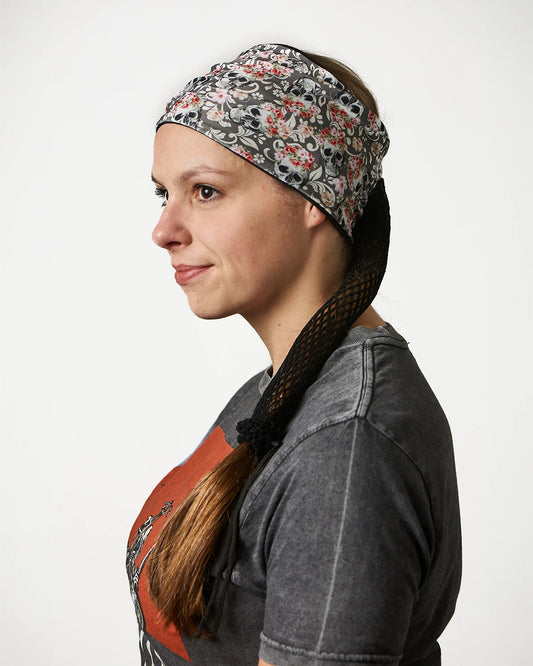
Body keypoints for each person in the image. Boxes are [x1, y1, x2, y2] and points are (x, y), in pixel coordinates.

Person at [126, 43, 461, 666]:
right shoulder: (283, 389)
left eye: (204, 191)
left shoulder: (347, 445)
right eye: (161, 194)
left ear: (312, 195)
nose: (164, 230)